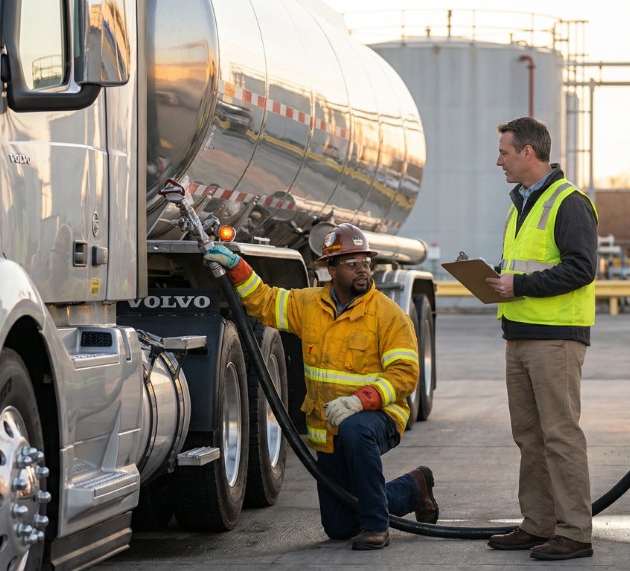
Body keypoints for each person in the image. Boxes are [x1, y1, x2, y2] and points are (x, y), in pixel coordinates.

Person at [204, 223, 439, 550]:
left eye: (366, 262)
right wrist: (236, 266)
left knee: (357, 431)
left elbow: (405, 374)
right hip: (327, 429)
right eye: (352, 263)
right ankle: (414, 488)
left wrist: (360, 401)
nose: (363, 270)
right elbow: (265, 302)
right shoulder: (309, 305)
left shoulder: (389, 315)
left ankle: (376, 527)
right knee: (339, 527)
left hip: (377, 418)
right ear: (331, 269)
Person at [483, 116, 598, 561]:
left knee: (560, 436)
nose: (499, 161)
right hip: (519, 335)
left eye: (505, 153)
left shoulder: (569, 202)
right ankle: (538, 524)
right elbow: (524, 264)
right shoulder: (521, 205)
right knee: (529, 436)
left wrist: (519, 287)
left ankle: (575, 533)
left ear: (528, 152)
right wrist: (494, 279)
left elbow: (580, 267)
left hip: (555, 340)